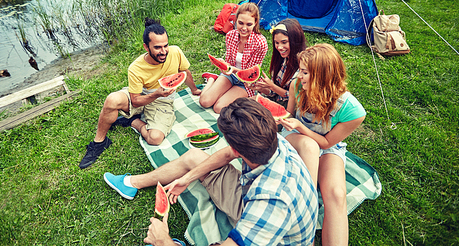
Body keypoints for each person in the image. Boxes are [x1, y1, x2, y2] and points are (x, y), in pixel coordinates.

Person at [103, 98, 318, 245]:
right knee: (194, 157)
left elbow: (266, 207)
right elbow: (226, 155)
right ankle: (132, 183)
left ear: (237, 149)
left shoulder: (269, 204)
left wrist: (165, 242)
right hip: (255, 196)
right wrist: (186, 178)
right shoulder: (270, 138)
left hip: (271, 234)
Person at [79, 18, 201, 169]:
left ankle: (132, 121)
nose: (163, 52)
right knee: (112, 100)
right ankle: (99, 142)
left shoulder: (175, 52)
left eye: (165, 46)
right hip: (141, 95)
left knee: (155, 138)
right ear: (146, 47)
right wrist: (155, 94)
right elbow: (135, 100)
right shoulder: (135, 68)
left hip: (163, 101)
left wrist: (194, 90)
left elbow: (184, 72)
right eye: (157, 47)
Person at [278, 44, 366, 246]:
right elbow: (289, 115)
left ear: (323, 75)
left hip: (327, 146)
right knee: (309, 145)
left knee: (336, 194)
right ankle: (304, 217)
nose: (299, 76)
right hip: (295, 137)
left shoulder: (353, 111)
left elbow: (327, 142)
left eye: (305, 72)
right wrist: (278, 120)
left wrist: (301, 125)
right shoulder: (296, 86)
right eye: (300, 70)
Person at [199, 2, 268, 113]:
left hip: (247, 83)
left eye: (249, 24)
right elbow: (229, 62)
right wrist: (224, 64)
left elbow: (251, 73)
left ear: (255, 23)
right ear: (235, 20)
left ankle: (238, 95)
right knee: (205, 102)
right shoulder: (230, 36)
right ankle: (211, 79)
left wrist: (232, 69)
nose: (244, 28)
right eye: (240, 23)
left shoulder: (261, 43)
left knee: (219, 108)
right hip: (230, 75)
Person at [251, 18, 307, 108]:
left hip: (291, 108)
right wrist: (262, 88)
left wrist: (272, 86)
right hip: (276, 101)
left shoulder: (304, 66)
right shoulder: (281, 60)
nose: (279, 47)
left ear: (295, 41)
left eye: (284, 42)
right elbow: (274, 93)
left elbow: (297, 97)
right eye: (276, 42)